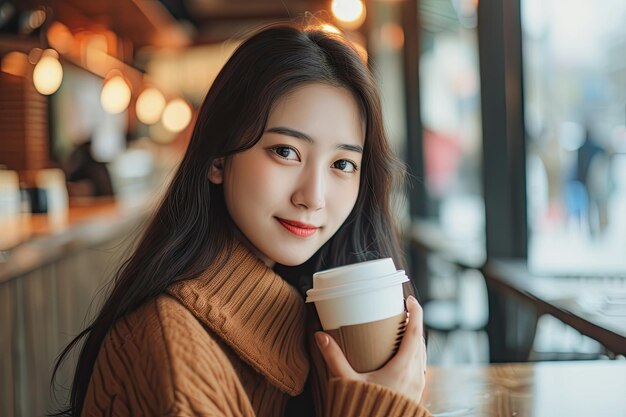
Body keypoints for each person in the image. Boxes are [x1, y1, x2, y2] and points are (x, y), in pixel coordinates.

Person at [51, 22, 429, 417]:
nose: (313, 197)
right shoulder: (178, 355)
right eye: (285, 151)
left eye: (343, 163)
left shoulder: (303, 312)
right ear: (218, 158)